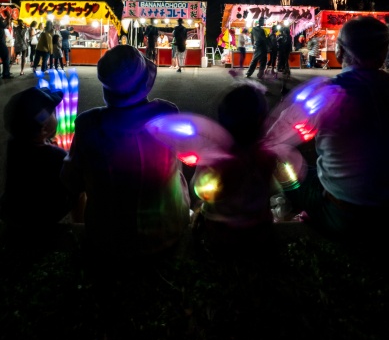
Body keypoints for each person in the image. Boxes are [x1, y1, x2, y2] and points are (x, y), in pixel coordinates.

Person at [284, 16, 389, 302]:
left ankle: (310, 214)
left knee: (281, 158)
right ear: (384, 53)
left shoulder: (328, 91)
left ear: (340, 52)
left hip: (348, 217)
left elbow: (281, 138)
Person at [60, 45, 191, 271]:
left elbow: (71, 182)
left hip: (106, 240)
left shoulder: (89, 123)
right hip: (166, 233)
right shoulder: (167, 113)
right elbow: (187, 155)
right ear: (145, 83)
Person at [190, 83, 282, 256]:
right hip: (259, 231)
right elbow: (272, 189)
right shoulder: (267, 156)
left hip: (220, 232)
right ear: (261, 123)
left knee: (203, 207)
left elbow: (198, 189)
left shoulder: (212, 159)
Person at [0, 86, 85, 241]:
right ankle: (79, 226)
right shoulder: (57, 155)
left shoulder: (15, 144)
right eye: (52, 112)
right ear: (44, 128)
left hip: (13, 212)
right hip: (39, 219)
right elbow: (74, 179)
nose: (56, 113)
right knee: (78, 189)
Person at [0, 14, 14, 79]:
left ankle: (5, 73)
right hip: (1, 43)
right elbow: (4, 25)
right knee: (6, 57)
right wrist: (8, 17)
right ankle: (6, 74)